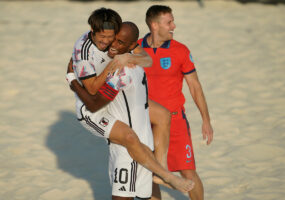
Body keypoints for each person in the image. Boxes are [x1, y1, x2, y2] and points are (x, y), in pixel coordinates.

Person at [66, 16, 195, 197]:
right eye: (110, 38)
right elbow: (93, 98)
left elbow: (147, 60)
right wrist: (72, 80)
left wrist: (126, 57)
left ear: (131, 45)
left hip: (111, 99)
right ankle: (165, 175)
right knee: (129, 137)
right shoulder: (86, 50)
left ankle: (160, 170)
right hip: (91, 108)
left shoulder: (127, 60)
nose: (110, 43)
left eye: (117, 41)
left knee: (163, 115)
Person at [137, 5, 214, 200]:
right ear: (155, 25)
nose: (174, 26)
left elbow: (195, 86)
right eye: (169, 22)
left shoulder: (180, 50)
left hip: (175, 121)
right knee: (149, 174)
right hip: (144, 121)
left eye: (173, 21)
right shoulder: (135, 48)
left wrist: (206, 120)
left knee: (187, 172)